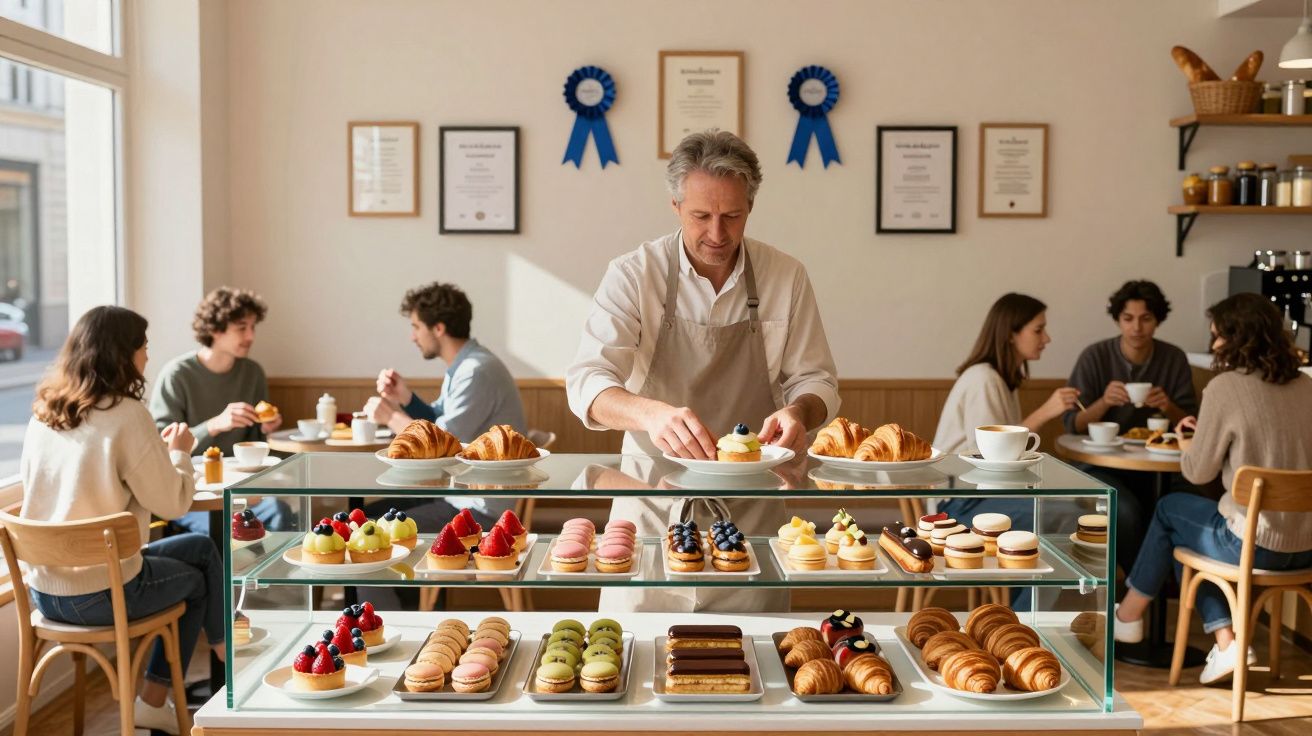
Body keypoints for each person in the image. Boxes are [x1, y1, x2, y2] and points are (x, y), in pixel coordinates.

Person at [566, 130, 839, 611]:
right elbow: (588, 383)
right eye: (701, 216)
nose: (717, 233)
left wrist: (800, 412)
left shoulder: (786, 276)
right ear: (674, 206)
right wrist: (650, 415)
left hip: (753, 515)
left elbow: (816, 381)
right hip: (651, 514)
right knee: (638, 665)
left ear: (750, 209)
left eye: (732, 216)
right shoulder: (634, 273)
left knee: (755, 670)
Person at [20, 306, 224, 735]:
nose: (148, 356)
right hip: (103, 593)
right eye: (143, 347)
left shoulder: (44, 411)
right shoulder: (127, 415)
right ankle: (197, 676)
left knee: (201, 549)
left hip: (43, 592)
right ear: (123, 354)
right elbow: (173, 503)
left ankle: (223, 654)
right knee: (202, 575)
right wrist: (181, 453)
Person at [1113, 292, 1312, 684]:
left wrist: (1192, 442)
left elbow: (1197, 471)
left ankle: (1131, 615)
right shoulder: (1306, 386)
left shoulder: (1224, 388)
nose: (1214, 345)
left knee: (1170, 511)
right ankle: (1222, 643)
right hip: (1306, 545)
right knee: (1184, 538)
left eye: (1218, 336)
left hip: (1253, 543)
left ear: (1238, 339)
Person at [932, 293, 1080, 609]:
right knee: (1068, 516)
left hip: (975, 496)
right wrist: (1046, 411)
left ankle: (1017, 614)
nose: (1047, 338)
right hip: (957, 505)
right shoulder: (984, 379)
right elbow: (993, 459)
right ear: (1012, 334)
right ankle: (1025, 619)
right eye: (1038, 330)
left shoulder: (999, 379)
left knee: (1069, 509)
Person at [363, 281, 527, 533]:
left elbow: (442, 445)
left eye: (416, 327)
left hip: (477, 510)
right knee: (360, 519)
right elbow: (438, 420)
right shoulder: (465, 366)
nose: (413, 336)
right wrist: (406, 397)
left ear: (438, 328)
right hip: (454, 495)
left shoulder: (476, 372)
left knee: (370, 530)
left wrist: (391, 416)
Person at [1062, 280, 1199, 566]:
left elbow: (1193, 425)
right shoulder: (1095, 356)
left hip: (1162, 468)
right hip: (1101, 465)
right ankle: (1133, 591)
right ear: (1118, 320)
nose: (1137, 328)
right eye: (1128, 319)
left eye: (1146, 319)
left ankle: (1168, 589)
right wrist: (1104, 402)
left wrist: (1168, 406)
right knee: (1124, 511)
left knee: (1188, 504)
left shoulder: (1173, 358)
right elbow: (1072, 424)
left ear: (1157, 321)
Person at [149, 287, 290, 534]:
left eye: (253, 327)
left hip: (242, 487)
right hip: (194, 493)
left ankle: (259, 574)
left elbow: (254, 445)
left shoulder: (252, 373)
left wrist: (265, 430)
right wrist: (214, 425)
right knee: (225, 529)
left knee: (280, 512)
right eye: (241, 328)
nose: (251, 336)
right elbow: (161, 448)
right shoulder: (177, 375)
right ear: (215, 329)